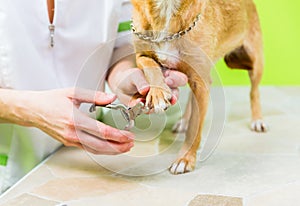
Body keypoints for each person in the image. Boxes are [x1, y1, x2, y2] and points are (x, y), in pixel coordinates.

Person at [0, 0, 187, 194]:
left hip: (83, 163)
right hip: (8, 175)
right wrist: (28, 110)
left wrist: (123, 77)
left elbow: (120, 44)